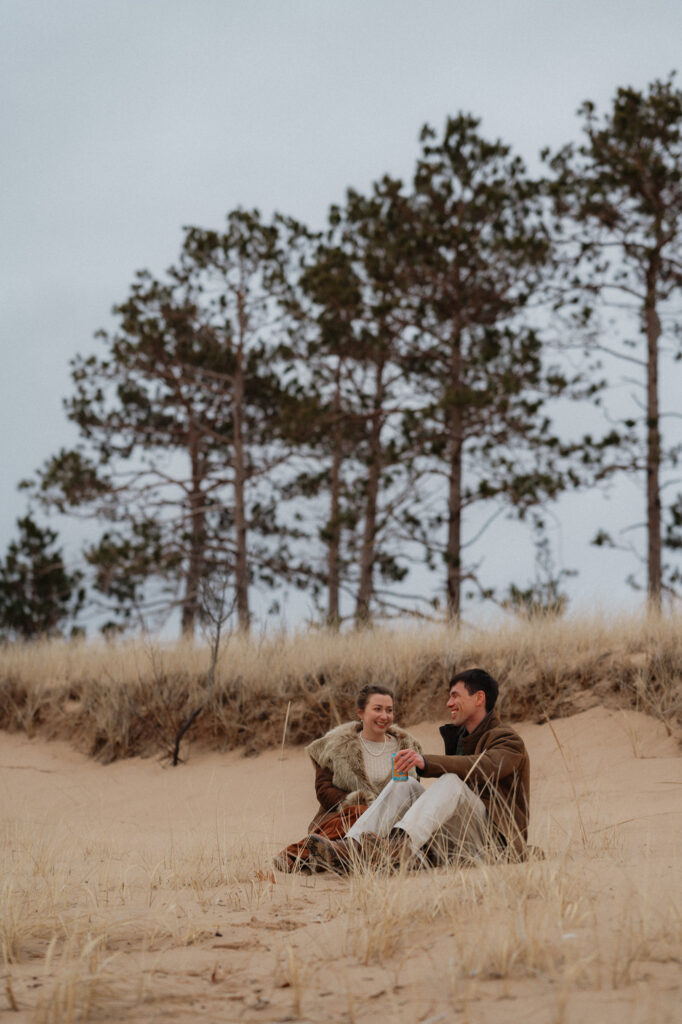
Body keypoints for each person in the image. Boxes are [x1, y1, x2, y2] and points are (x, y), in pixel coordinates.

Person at [306, 668, 530, 873]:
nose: (449, 703)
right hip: (457, 839)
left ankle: (399, 848)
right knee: (402, 785)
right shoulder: (462, 738)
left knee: (451, 780)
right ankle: (351, 848)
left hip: (497, 842)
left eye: (455, 695)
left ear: (479, 698)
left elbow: (486, 766)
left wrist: (424, 762)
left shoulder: (508, 740)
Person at [273, 684, 424, 872]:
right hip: (342, 817)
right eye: (377, 709)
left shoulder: (408, 747)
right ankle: (312, 855)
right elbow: (323, 791)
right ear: (360, 713)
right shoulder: (334, 746)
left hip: (393, 822)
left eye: (389, 710)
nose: (384, 716)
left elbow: (412, 789)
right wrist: (365, 806)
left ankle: (300, 855)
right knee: (359, 811)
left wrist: (383, 810)